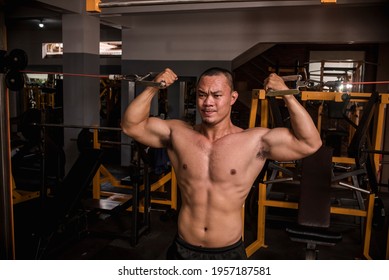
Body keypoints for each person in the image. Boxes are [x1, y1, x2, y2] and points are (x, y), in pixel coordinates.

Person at [121, 67, 322, 260]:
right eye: (202, 95)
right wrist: (153, 86)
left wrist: (286, 94)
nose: (208, 102)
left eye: (217, 95)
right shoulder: (178, 134)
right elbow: (131, 126)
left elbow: (310, 143)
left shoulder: (254, 141)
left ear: (232, 98)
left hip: (228, 253)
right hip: (183, 249)